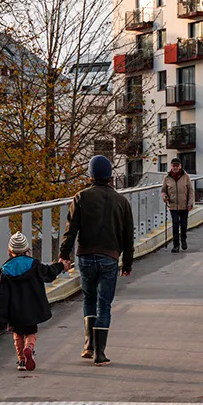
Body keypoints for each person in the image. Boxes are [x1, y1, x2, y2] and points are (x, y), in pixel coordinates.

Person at [59, 154, 134, 366]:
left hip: (85, 256)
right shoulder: (122, 201)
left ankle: (88, 345)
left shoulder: (81, 197)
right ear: (110, 174)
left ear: (91, 175)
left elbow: (70, 230)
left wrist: (65, 255)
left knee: (89, 299)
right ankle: (100, 353)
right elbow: (128, 236)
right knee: (104, 304)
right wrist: (127, 263)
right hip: (109, 258)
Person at [0, 231, 67, 371]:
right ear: (27, 250)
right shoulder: (34, 265)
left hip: (14, 311)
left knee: (18, 334)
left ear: (10, 250)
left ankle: (22, 360)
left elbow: (2, 298)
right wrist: (61, 266)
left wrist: (1, 321)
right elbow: (49, 272)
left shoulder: (6, 271)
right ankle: (29, 347)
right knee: (31, 332)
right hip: (32, 309)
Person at [161, 156, 195, 253]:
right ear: (171, 166)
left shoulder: (185, 176)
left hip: (184, 205)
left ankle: (183, 238)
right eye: (173, 165)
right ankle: (176, 245)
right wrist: (164, 197)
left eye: (177, 165)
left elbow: (190, 191)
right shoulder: (167, 178)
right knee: (175, 224)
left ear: (180, 166)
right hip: (173, 205)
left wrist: (190, 203)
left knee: (183, 224)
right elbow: (163, 191)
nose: (175, 167)